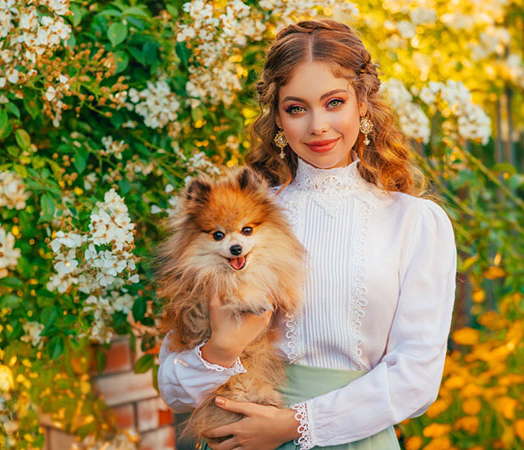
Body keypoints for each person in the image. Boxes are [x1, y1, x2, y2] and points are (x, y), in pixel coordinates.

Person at [158, 19, 457, 450]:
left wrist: (294, 424)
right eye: (296, 108)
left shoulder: (414, 223)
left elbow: (416, 377)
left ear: (363, 104)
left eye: (334, 102)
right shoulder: (242, 224)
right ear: (278, 118)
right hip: (240, 431)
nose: (317, 125)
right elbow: (172, 389)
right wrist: (221, 351)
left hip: (354, 439)